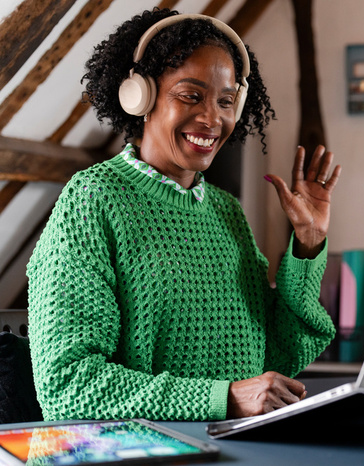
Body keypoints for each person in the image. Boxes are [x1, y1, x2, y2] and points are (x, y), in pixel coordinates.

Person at [26, 8, 341, 421]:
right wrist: (222, 398)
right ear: (140, 95)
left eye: (226, 101)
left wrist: (307, 244)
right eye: (190, 95)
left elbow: (279, 352)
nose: (212, 118)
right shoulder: (92, 200)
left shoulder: (226, 211)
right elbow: (68, 386)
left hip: (228, 450)